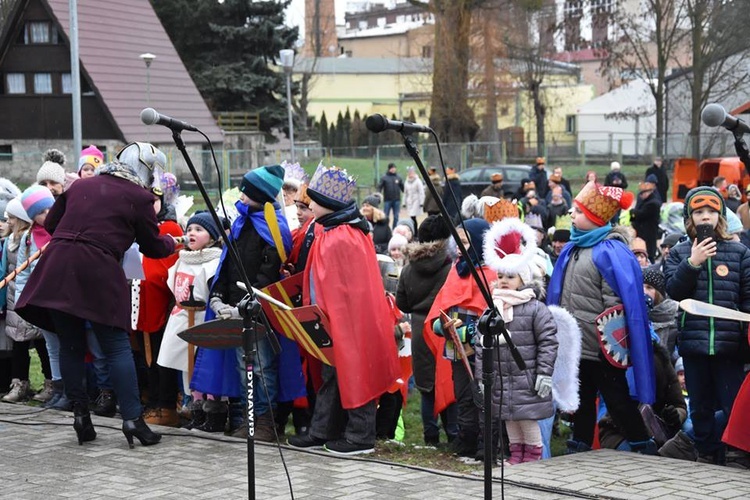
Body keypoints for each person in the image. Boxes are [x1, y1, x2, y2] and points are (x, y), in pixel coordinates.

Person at [15, 141, 175, 448]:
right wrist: (170, 242)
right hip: (98, 269)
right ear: (147, 170)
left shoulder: (81, 187)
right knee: (115, 346)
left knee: (71, 345)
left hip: (58, 266)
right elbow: (153, 246)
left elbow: (52, 223)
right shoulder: (139, 197)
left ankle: (81, 417)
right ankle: (132, 420)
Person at [287, 164, 400, 455]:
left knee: (356, 374)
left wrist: (327, 315)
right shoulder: (333, 230)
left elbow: (346, 288)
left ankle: (361, 437)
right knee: (331, 375)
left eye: (313, 199)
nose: (309, 204)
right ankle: (322, 430)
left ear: (328, 203)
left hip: (349, 323)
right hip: (332, 321)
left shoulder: (343, 236)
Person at [547, 181, 656, 454]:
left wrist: (608, 344)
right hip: (577, 346)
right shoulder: (573, 249)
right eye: (573, 210)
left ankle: (644, 445)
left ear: (595, 219)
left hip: (602, 350)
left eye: (579, 212)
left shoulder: (609, 252)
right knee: (581, 400)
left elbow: (616, 306)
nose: (572, 215)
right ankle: (580, 446)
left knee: (617, 400)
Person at [193, 164, 298, 440]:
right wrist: (219, 296)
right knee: (243, 366)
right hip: (235, 308)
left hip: (258, 311)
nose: (240, 196)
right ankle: (248, 419)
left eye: (246, 192)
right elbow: (229, 264)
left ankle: (265, 421)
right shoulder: (240, 223)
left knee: (261, 366)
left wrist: (249, 301)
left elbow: (268, 271)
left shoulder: (272, 227)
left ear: (259, 196)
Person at [664, 186, 750, 465]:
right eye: (698, 212)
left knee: (732, 404)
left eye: (711, 212)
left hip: (730, 346)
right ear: (690, 218)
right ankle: (706, 451)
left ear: (720, 216)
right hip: (694, 343)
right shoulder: (678, 253)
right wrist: (693, 262)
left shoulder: (739, 253)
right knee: (699, 405)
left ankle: (735, 451)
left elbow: (747, 300)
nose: (704, 218)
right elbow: (674, 291)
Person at [479, 218, 558, 463]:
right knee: (510, 421)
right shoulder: (493, 308)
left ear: (523, 280)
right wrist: (483, 377)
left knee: (528, 423)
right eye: (501, 276)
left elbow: (548, 342)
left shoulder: (535, 309)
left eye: (510, 277)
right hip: (503, 379)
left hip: (528, 378)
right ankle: (515, 459)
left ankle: (533, 461)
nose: (503, 280)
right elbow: (484, 346)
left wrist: (544, 373)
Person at [425, 218, 492, 458]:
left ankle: (488, 444)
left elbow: (494, 312)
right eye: (458, 242)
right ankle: (467, 439)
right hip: (456, 345)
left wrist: (470, 331)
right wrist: (439, 325)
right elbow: (443, 304)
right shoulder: (457, 269)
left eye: (465, 242)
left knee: (485, 395)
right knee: (463, 394)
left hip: (484, 348)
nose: (460, 247)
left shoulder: (491, 273)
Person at [156, 211, 223, 429]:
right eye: (190, 229)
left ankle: (213, 412)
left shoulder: (214, 262)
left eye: (199, 230)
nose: (191, 233)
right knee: (187, 367)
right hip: (182, 316)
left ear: (212, 237)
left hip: (203, 317)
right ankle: (194, 408)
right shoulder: (181, 260)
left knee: (205, 365)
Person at [396, 215, 457, 447]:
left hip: (421, 328)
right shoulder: (451, 263)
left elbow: (402, 303)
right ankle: (454, 434)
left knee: (426, 387)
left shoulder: (410, 267)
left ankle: (430, 436)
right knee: (448, 383)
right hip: (446, 325)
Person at [132, 185, 184, 427]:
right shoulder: (136, 229)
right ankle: (151, 400)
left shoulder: (170, 229)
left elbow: (166, 270)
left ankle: (165, 406)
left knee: (162, 358)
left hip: (163, 307)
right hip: (137, 304)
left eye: (153, 201)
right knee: (144, 357)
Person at [0, 195, 52, 404]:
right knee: (19, 346)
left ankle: (50, 383)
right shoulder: (10, 242)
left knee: (41, 344)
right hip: (15, 302)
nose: (8, 222)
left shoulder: (30, 240)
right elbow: (5, 271)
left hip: (30, 299)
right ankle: (20, 382)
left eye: (11, 218)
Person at [642, 266, 679, 359]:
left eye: (649, 287)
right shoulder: (634, 314)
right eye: (640, 286)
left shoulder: (672, 313)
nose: (644, 291)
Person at [631, 175, 662, 262]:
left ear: (650, 192)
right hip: (641, 230)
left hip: (648, 231)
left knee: (649, 252)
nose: (641, 195)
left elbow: (639, 214)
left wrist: (632, 213)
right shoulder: (645, 201)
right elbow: (634, 216)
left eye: (643, 193)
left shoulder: (652, 203)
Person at [378, 163, 404, 228]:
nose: (393, 169)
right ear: (389, 169)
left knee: (396, 216)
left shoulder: (398, 177)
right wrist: (378, 194)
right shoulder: (384, 177)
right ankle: (385, 228)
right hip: (387, 200)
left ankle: (394, 228)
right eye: (392, 168)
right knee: (385, 215)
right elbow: (379, 187)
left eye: (394, 168)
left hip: (396, 200)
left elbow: (403, 187)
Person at [403, 166, 425, 232]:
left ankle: (415, 231)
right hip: (409, 201)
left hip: (416, 200)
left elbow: (421, 192)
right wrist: (404, 202)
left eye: (411, 172)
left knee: (413, 216)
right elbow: (405, 193)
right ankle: (414, 231)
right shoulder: (406, 181)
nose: (410, 174)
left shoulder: (418, 181)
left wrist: (421, 202)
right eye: (409, 172)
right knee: (411, 217)